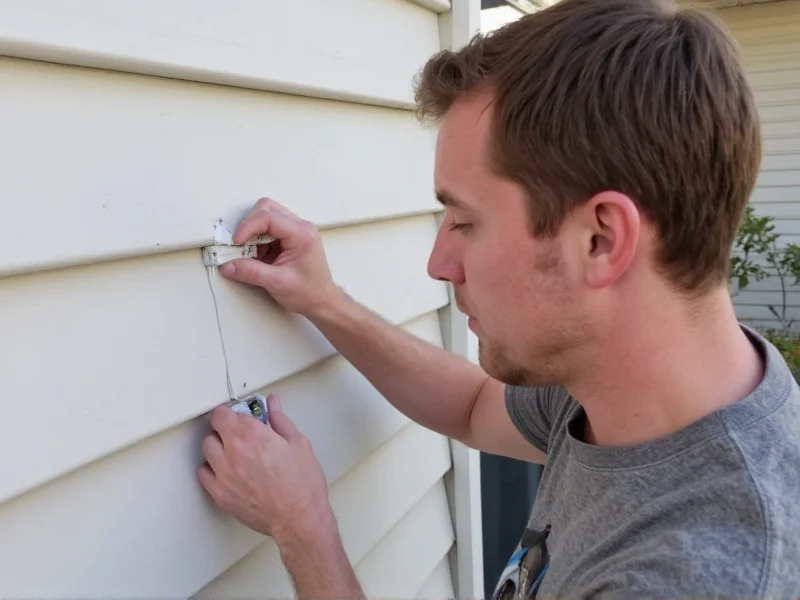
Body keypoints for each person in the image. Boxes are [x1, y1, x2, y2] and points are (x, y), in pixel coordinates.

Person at [196, 0, 800, 597]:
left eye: (463, 220)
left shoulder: (700, 574)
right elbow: (474, 407)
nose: (439, 264)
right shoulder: (632, 388)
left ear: (600, 239)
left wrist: (303, 530)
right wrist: (324, 302)